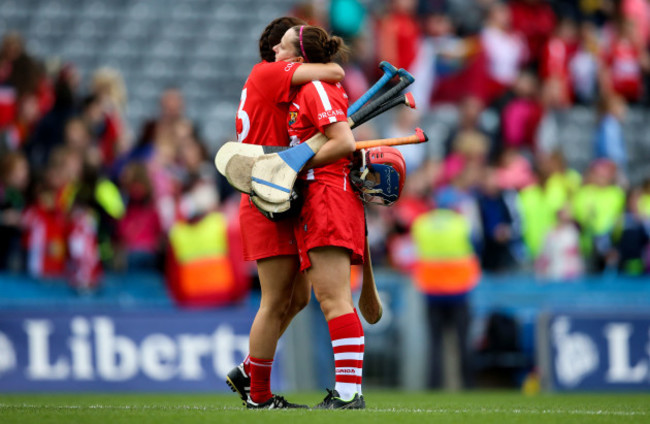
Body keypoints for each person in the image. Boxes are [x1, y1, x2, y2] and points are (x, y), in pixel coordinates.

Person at [225, 17, 346, 410]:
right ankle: (258, 395)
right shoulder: (269, 73)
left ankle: (248, 369)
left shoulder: (278, 83)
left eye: (284, 44)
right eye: (276, 44)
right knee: (275, 300)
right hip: (266, 195)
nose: (275, 48)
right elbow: (336, 69)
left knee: (298, 298)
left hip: (280, 193)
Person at [278, 24, 366, 409]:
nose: (276, 56)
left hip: (326, 195)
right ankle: (349, 392)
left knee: (333, 300)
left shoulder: (313, 88)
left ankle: (349, 394)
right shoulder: (311, 88)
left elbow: (343, 142)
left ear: (299, 58)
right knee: (335, 299)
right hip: (325, 196)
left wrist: (296, 163)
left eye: (282, 50)